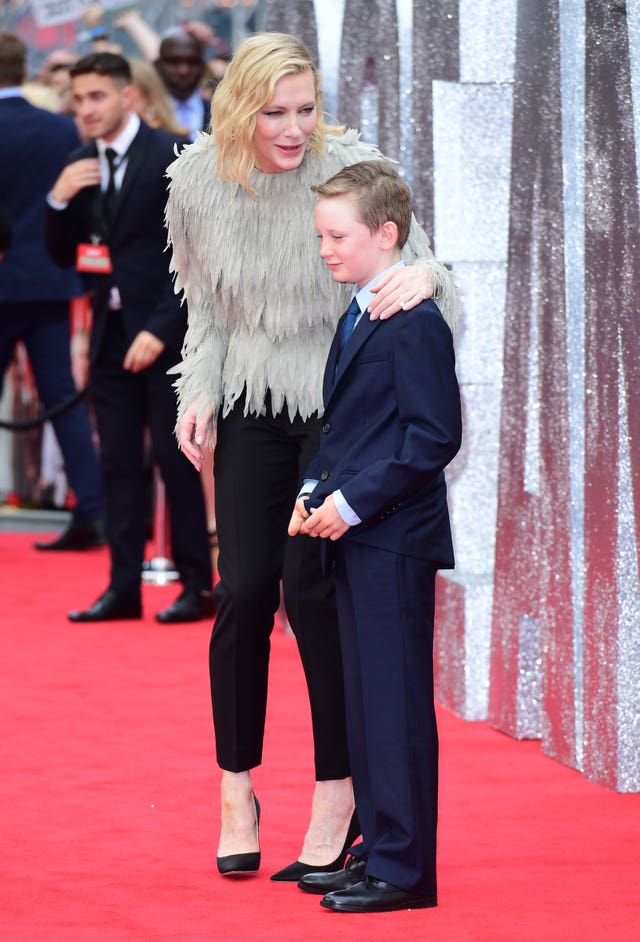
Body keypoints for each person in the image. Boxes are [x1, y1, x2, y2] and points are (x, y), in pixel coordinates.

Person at [164, 32, 459, 879]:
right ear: (237, 110)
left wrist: (430, 279)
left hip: (338, 415)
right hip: (254, 403)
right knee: (245, 590)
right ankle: (236, 787)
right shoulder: (195, 182)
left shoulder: (350, 165)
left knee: (314, 594)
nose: (293, 129)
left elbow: (417, 260)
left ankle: (339, 788)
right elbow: (206, 308)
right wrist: (199, 392)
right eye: (274, 113)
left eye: (305, 109)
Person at [289, 160, 461, 913]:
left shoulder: (412, 320)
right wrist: (312, 491)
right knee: (365, 703)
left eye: (338, 235)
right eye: (320, 235)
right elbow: (346, 429)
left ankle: (404, 870)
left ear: (385, 235)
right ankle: (378, 850)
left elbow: (432, 438)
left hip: (391, 538)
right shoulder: (357, 309)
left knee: (392, 706)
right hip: (357, 534)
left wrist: (352, 504)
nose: (325, 248)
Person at [46, 52, 214, 623]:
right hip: (110, 335)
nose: (84, 108)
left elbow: (197, 258)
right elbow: (61, 253)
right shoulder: (78, 162)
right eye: (78, 98)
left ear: (129, 96)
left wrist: (160, 328)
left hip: (168, 335)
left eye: (96, 96)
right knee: (116, 462)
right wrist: (58, 199)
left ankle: (197, 583)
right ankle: (122, 587)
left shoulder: (173, 153)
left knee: (176, 460)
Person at [0, 30, 105, 551]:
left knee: (62, 398)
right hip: (48, 279)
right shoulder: (59, 129)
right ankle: (92, 511)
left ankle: (92, 509)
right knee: (61, 398)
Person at [154, 30, 210, 141]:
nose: (183, 71)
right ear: (158, 66)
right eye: (174, 62)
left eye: (192, 62)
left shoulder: (221, 116)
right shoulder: (145, 116)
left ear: (203, 66)